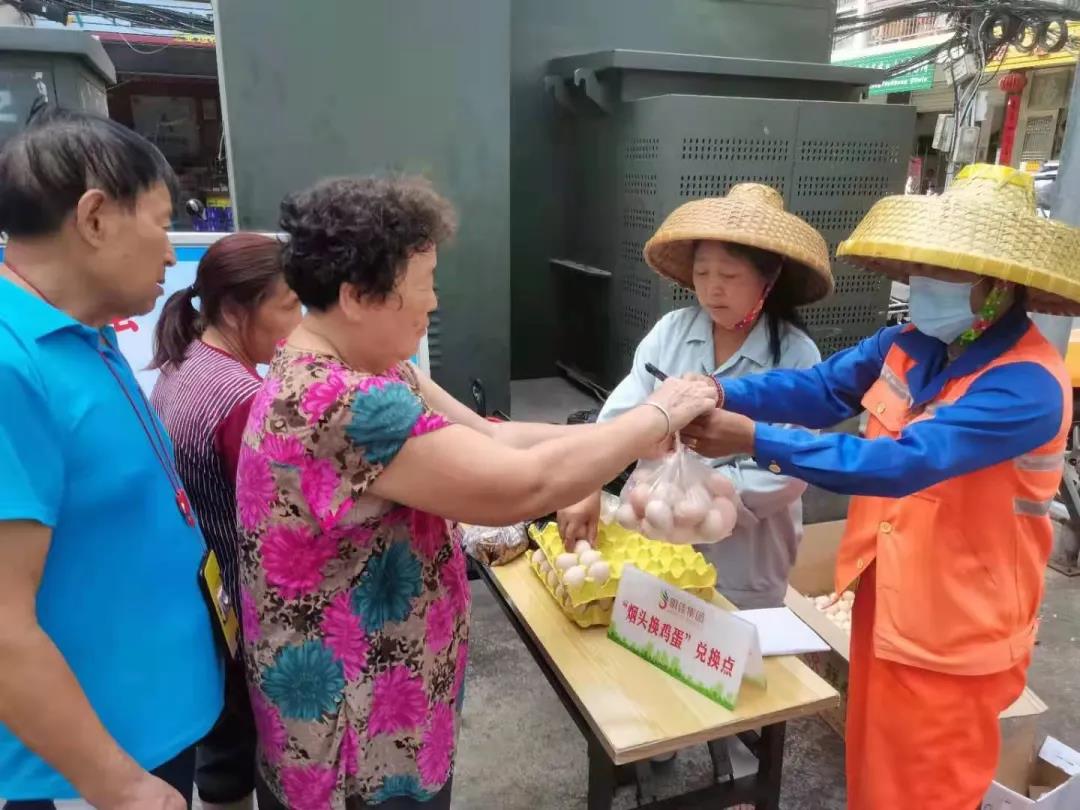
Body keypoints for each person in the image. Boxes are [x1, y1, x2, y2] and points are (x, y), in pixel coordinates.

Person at [236, 175, 718, 810]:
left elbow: (494, 438)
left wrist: (623, 439)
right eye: (424, 283)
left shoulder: (361, 367)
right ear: (356, 297)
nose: (434, 302)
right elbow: (521, 485)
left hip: (383, 692)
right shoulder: (341, 401)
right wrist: (656, 416)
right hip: (358, 727)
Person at [680, 164, 1080, 810]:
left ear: (998, 283)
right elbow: (821, 389)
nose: (923, 283)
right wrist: (720, 391)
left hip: (957, 640)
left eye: (945, 271)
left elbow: (900, 463)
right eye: (921, 266)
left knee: (928, 793)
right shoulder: (912, 343)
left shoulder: (1028, 384)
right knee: (872, 780)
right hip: (886, 606)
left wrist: (753, 438)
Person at [0, 108, 222, 808]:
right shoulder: (10, 366)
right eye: (160, 225)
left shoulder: (85, 334)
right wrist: (116, 785)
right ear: (94, 218)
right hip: (84, 775)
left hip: (154, 729)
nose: (171, 256)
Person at [558, 184, 833, 610]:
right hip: (655, 544)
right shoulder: (671, 332)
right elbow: (620, 418)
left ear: (769, 278)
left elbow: (785, 472)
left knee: (730, 639)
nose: (712, 290)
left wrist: (695, 499)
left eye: (729, 276)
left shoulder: (797, 356)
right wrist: (586, 482)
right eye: (702, 274)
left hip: (744, 563)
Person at [150, 233, 302, 810]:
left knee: (221, 756)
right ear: (238, 310)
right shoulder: (243, 398)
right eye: (289, 306)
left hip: (201, 604)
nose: (298, 324)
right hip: (238, 613)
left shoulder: (185, 358)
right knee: (241, 759)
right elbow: (285, 520)